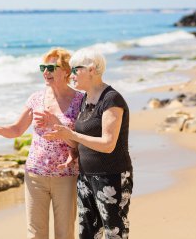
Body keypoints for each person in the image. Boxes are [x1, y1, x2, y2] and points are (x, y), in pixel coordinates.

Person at [0, 48, 84, 239]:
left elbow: (80, 142)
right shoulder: (36, 98)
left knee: (65, 233)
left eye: (51, 67)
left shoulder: (80, 100)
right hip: (35, 175)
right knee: (35, 234)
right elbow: (16, 130)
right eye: (43, 67)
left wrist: (56, 125)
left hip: (66, 176)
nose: (45, 72)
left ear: (66, 70)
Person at [42, 49, 133, 239]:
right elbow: (84, 136)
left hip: (111, 176)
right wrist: (72, 151)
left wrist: (73, 134)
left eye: (76, 70)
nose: (71, 74)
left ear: (92, 70)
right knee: (87, 233)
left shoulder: (111, 99)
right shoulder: (85, 98)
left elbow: (108, 144)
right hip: (85, 176)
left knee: (114, 232)